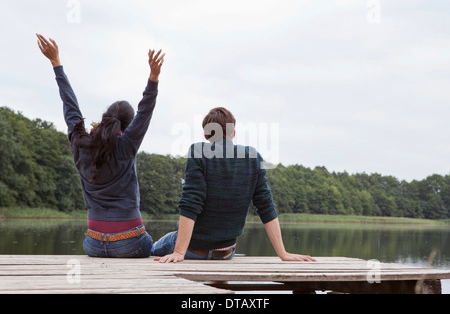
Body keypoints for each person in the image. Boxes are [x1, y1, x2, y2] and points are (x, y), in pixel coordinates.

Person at [36, 34, 165, 257]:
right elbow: (145, 112)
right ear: (129, 126)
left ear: (105, 117)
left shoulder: (80, 143)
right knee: (171, 241)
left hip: (93, 244)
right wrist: (153, 77)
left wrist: (56, 63)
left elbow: (70, 107)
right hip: (130, 243)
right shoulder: (126, 145)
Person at [152, 107, 316, 263]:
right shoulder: (253, 157)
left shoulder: (198, 152)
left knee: (151, 249)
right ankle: (220, 285)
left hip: (192, 249)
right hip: (225, 253)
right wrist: (283, 253)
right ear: (233, 133)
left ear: (206, 136)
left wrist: (179, 252)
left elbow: (191, 203)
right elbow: (266, 206)